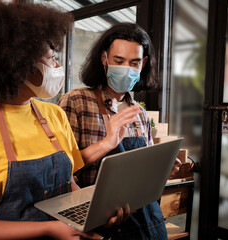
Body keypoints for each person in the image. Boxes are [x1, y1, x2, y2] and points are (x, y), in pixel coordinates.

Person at [0, 3, 129, 240]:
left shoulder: (54, 115)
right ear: (19, 66)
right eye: (51, 59)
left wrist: (92, 213)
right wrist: (49, 229)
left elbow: (67, 183)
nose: (57, 66)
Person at [58, 23, 181, 239]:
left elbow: (141, 178)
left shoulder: (140, 113)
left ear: (143, 64)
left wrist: (160, 171)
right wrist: (106, 141)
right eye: (119, 61)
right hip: (99, 221)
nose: (126, 68)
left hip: (145, 220)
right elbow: (61, 172)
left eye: (134, 63)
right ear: (104, 59)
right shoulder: (76, 101)